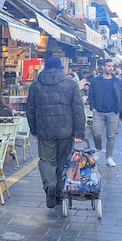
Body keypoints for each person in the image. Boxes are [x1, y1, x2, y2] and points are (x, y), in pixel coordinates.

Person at [25, 57, 85, 208]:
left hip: (45, 130)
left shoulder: (35, 86)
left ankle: (49, 185)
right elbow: (78, 110)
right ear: (61, 68)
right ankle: (59, 191)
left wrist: (34, 130)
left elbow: (30, 110)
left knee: (46, 161)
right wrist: (79, 132)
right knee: (63, 161)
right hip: (66, 130)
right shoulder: (71, 84)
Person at [88, 58, 122, 166]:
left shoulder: (117, 81)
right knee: (96, 133)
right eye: (108, 66)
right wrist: (93, 107)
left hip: (113, 112)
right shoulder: (96, 80)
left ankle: (109, 157)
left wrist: (119, 109)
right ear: (103, 67)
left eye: (112, 66)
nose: (111, 68)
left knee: (111, 136)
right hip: (98, 111)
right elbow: (91, 94)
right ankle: (98, 149)